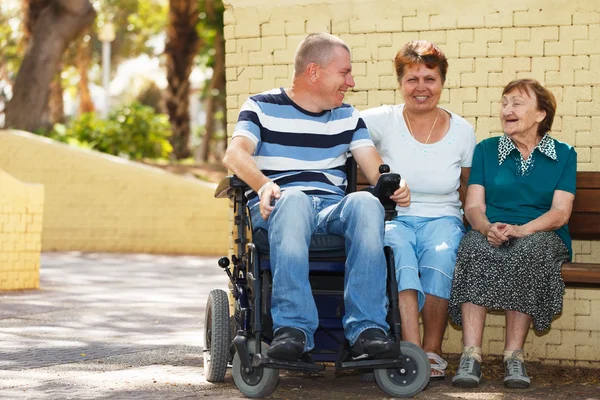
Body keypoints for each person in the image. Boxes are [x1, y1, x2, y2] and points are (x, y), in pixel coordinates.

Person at [222, 32, 411, 362]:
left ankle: (367, 329)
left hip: (330, 210)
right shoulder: (261, 107)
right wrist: (265, 184)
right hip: (279, 207)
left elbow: (373, 166)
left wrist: (391, 183)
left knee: (367, 202)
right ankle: (293, 329)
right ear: (314, 72)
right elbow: (235, 155)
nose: (350, 82)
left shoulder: (348, 116)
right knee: (294, 200)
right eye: (345, 72)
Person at [449, 79, 577, 389]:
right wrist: (486, 227)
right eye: (504, 102)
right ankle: (471, 355)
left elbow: (560, 212)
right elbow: (474, 205)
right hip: (493, 229)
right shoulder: (486, 150)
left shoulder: (563, 154)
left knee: (528, 251)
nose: (507, 109)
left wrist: (524, 229)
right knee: (472, 247)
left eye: (517, 103)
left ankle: (514, 356)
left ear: (540, 114)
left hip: (542, 233)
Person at [361, 40, 476, 380]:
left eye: (430, 79)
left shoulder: (462, 130)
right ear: (400, 83)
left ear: (442, 82)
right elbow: (340, 125)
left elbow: (467, 186)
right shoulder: (383, 120)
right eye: (412, 79)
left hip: (444, 218)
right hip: (395, 218)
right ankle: (412, 355)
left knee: (441, 257)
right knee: (399, 255)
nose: (421, 88)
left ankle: (433, 351)